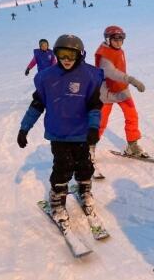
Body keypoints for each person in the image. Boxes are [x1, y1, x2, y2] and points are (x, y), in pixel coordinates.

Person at [17, 34, 104, 223]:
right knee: (62, 167)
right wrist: (24, 129)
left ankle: (84, 189)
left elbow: (94, 106)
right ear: (56, 54)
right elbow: (36, 105)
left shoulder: (88, 77)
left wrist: (93, 128)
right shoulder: (48, 78)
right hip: (59, 134)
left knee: (84, 165)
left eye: (71, 55)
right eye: (62, 54)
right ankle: (57, 199)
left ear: (80, 55)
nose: (66, 60)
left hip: (81, 134)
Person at [93, 25, 147, 159]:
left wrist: (126, 82)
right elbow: (112, 72)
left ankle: (132, 144)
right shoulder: (104, 54)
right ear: (107, 39)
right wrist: (131, 80)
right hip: (107, 92)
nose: (118, 42)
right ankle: (90, 146)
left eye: (121, 38)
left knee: (132, 116)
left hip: (121, 89)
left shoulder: (119, 50)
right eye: (115, 39)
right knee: (101, 122)